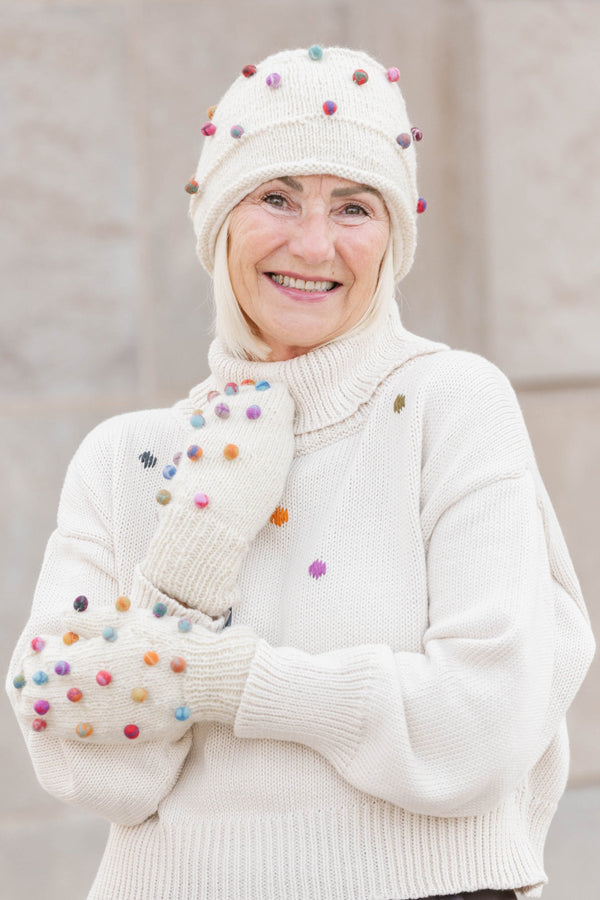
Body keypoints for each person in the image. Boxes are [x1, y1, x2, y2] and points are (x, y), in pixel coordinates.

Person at [5, 46, 595, 900]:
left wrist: (233, 681)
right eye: (276, 197)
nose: (313, 244)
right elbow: (96, 774)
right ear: (218, 223)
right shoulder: (125, 457)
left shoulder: (450, 404)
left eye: (353, 207)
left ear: (393, 237)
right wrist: (197, 545)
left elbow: (481, 729)